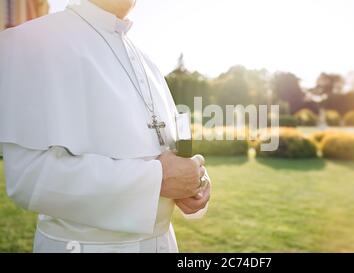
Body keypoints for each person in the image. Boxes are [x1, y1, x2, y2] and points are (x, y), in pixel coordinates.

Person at [0, 0, 211, 253]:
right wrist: (157, 180)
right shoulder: (30, 42)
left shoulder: (148, 63)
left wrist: (194, 180)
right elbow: (28, 178)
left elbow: (168, 149)